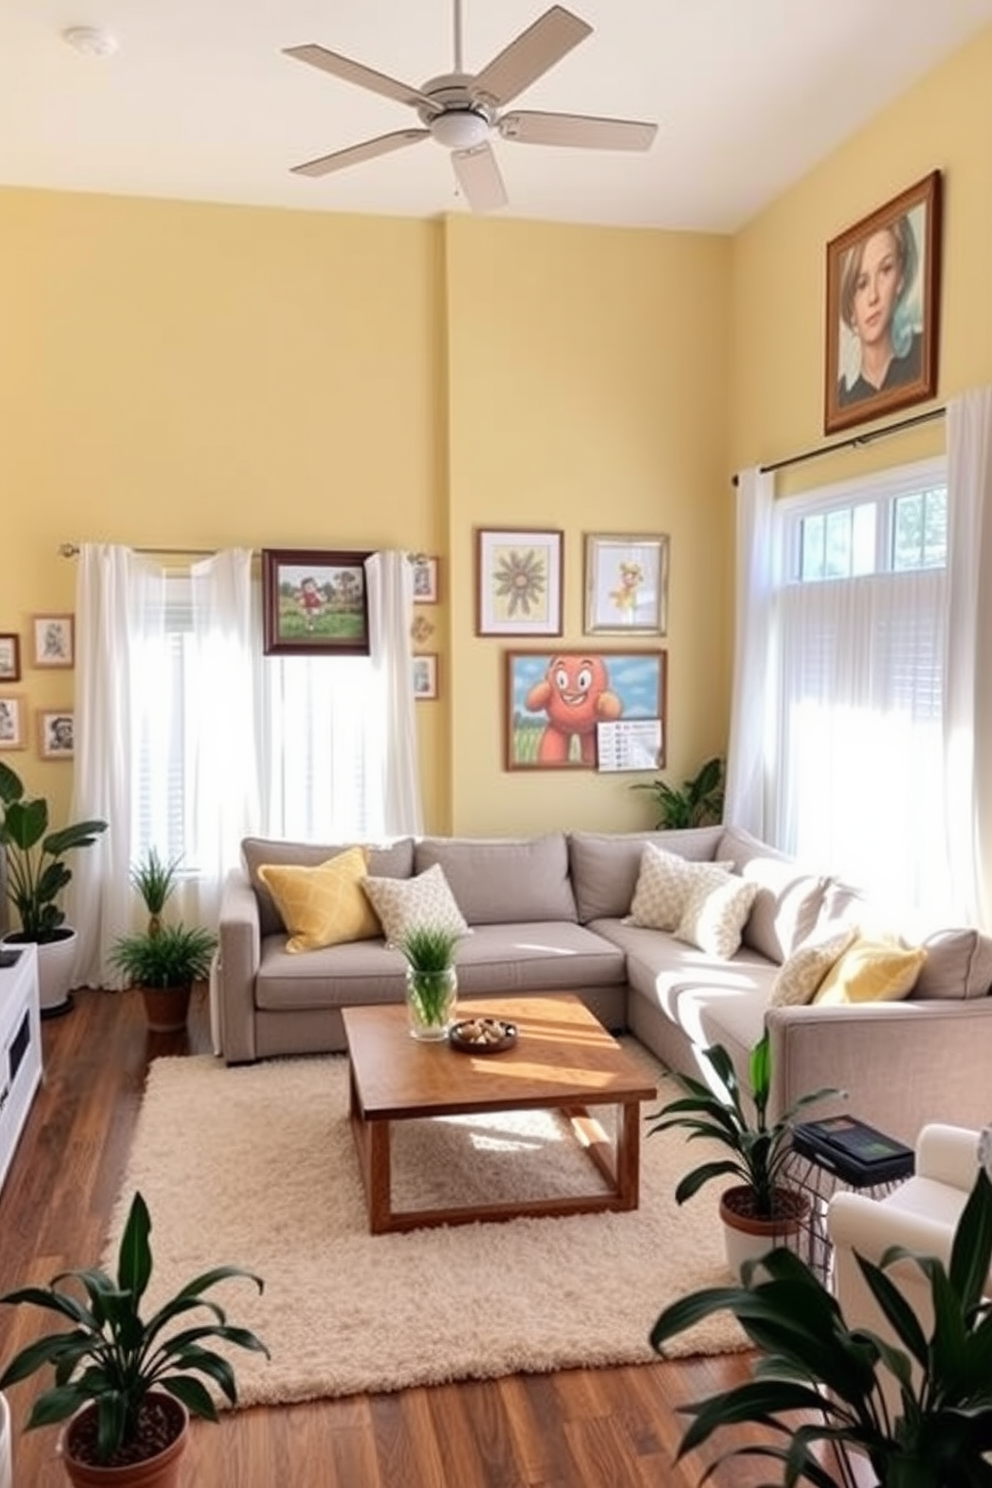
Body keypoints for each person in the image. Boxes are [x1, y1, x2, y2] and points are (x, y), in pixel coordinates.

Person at [837, 213, 922, 408]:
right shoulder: (842, 396)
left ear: (900, 279)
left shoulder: (921, 354)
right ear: (850, 304)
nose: (873, 296)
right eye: (862, 283)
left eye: (885, 270)